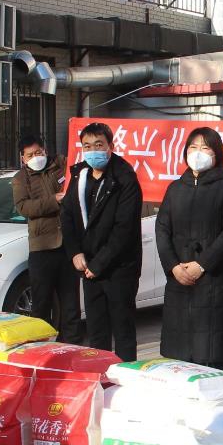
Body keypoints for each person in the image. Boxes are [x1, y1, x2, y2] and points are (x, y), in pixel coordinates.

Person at [155, 127, 223, 370]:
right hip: (179, 277)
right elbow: (162, 229)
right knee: (180, 354)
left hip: (215, 278)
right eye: (193, 147)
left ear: (217, 154)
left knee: (211, 352)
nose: (198, 152)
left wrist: (202, 264)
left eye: (205, 148)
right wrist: (174, 267)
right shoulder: (175, 188)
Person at [60, 123, 142, 361]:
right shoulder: (80, 175)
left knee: (123, 330)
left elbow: (124, 229)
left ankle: (125, 375)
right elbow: (67, 214)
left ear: (110, 146)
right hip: (89, 267)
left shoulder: (124, 178)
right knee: (96, 331)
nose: (93, 151)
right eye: (87, 146)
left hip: (118, 268)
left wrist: (99, 263)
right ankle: (100, 375)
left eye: (98, 145)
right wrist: (75, 252)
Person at [12, 134, 80, 342]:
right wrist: (53, 200)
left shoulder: (60, 165)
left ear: (45, 150)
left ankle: (71, 345)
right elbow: (24, 207)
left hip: (67, 244)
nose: (36, 157)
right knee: (41, 303)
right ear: (23, 158)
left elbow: (78, 169)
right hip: (42, 248)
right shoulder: (20, 179)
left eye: (38, 152)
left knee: (70, 303)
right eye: (30, 155)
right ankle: (40, 348)